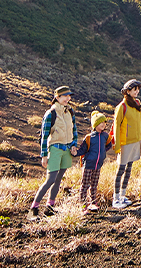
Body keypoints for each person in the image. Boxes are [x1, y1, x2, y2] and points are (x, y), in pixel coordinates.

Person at [31, 86, 79, 218]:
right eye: (65, 96)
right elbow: (44, 136)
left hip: (67, 149)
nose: (68, 99)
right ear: (57, 97)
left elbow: (74, 130)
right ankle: (34, 208)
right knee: (50, 179)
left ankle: (49, 207)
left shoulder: (70, 112)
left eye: (69, 96)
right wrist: (44, 155)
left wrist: (74, 145)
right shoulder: (50, 113)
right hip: (55, 149)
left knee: (58, 179)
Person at [110, 79, 141, 209]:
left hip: (135, 141)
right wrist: (117, 145)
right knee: (120, 170)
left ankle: (122, 195)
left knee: (129, 169)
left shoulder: (137, 104)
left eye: (138, 89)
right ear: (127, 91)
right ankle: (115, 198)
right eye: (134, 89)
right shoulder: (122, 106)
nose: (137, 92)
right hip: (125, 143)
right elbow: (116, 126)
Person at [76, 111, 113, 212]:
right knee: (85, 185)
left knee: (94, 185)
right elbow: (83, 149)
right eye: (101, 123)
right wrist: (75, 152)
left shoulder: (105, 136)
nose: (103, 125)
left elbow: (109, 144)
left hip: (98, 165)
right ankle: (83, 206)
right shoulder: (89, 137)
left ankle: (93, 203)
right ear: (95, 124)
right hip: (88, 164)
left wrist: (102, 153)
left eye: (105, 123)